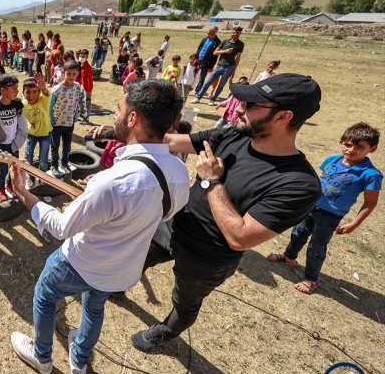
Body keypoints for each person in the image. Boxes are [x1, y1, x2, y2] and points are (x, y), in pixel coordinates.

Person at [8, 79, 191, 374]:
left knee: (44, 296)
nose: (115, 115)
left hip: (80, 263)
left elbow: (61, 227)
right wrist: (101, 202)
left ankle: (42, 356)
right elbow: (165, 213)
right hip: (122, 268)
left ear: (133, 118)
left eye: (119, 109)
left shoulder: (112, 182)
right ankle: (79, 363)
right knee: (94, 307)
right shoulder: (179, 172)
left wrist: (24, 194)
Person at [131, 73, 323, 352]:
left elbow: (239, 237)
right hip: (174, 226)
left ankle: (165, 332)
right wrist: (121, 131)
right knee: (135, 259)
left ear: (283, 117)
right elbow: (171, 141)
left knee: (185, 303)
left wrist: (211, 181)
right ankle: (117, 284)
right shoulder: (234, 134)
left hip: (207, 258)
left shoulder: (298, 184)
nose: (239, 108)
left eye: (251, 104)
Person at [267, 122, 381, 294]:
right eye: (348, 144)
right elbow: (320, 181)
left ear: (372, 149)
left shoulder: (371, 175)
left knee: (317, 247)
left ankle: (311, 279)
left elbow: (370, 202)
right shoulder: (332, 160)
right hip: (310, 207)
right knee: (298, 233)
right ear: (341, 142)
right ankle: (289, 257)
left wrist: (354, 224)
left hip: (330, 216)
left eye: (360, 147)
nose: (351, 150)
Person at [0, 74, 28, 201]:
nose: (17, 90)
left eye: (17, 87)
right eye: (14, 88)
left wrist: (18, 140)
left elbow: (21, 122)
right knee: (3, 168)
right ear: (3, 90)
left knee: (14, 166)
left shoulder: (17, 104)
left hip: (14, 142)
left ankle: (10, 184)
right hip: (1, 143)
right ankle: (0, 188)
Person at [192, 26, 243, 105]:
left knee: (221, 85)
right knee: (207, 82)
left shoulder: (240, 44)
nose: (235, 34)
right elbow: (215, 52)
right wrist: (225, 51)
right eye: (234, 32)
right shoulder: (225, 41)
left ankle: (213, 99)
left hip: (229, 67)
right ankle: (198, 97)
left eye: (237, 32)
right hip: (219, 66)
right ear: (232, 32)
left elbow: (238, 58)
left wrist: (234, 70)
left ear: (240, 34)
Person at [50, 61, 81, 176]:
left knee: (67, 146)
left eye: (74, 74)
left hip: (69, 123)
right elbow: (50, 106)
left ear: (77, 73)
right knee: (55, 146)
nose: (71, 76)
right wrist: (51, 119)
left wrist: (75, 115)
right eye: (69, 73)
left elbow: (76, 102)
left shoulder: (77, 87)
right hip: (57, 123)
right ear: (64, 73)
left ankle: (64, 163)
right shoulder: (57, 89)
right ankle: (54, 165)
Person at [22, 73, 52, 184]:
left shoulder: (43, 100)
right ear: (23, 93)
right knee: (28, 157)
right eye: (28, 92)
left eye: (35, 92)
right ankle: (31, 176)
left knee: (43, 159)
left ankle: (42, 176)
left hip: (45, 134)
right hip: (31, 134)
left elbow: (46, 93)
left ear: (39, 93)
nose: (31, 95)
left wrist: (43, 88)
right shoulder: (22, 104)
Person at [76, 49, 94, 122]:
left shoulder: (87, 67)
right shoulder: (81, 64)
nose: (81, 58)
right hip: (82, 86)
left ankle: (86, 118)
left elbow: (89, 79)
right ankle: (82, 113)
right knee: (79, 100)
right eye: (80, 56)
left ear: (87, 57)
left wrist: (89, 90)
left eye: (83, 56)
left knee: (87, 103)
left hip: (87, 88)